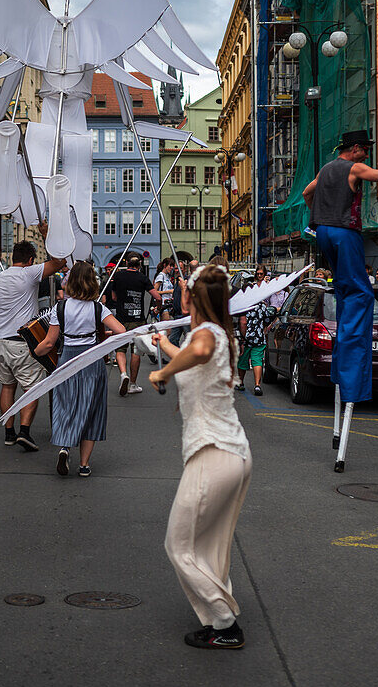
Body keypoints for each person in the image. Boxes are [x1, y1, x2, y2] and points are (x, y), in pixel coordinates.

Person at [148, 264, 251, 650]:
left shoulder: (207, 335)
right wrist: (164, 346)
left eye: (182, 289)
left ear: (191, 297)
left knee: (179, 545)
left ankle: (224, 624)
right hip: (232, 453)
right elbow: (196, 355)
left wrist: (161, 375)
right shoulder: (219, 332)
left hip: (214, 454)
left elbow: (200, 350)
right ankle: (220, 616)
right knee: (208, 545)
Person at [302, 129, 378, 404]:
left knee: (345, 287)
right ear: (356, 149)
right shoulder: (354, 167)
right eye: (366, 150)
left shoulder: (325, 169)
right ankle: (350, 362)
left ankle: (343, 346)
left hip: (323, 232)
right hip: (344, 232)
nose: (368, 155)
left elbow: (306, 192)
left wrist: (318, 214)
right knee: (361, 292)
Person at [35, 260, 125, 477]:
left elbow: (49, 342)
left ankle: (65, 447)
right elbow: (121, 330)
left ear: (71, 282)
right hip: (91, 360)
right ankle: (84, 465)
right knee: (92, 409)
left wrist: (34, 351)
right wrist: (105, 341)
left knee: (66, 404)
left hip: (67, 359)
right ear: (92, 282)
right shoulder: (98, 308)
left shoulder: (61, 308)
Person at [0, 223, 65, 451]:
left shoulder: (1, 277)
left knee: (7, 386)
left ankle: (8, 431)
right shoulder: (29, 273)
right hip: (22, 341)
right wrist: (47, 236)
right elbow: (59, 263)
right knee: (32, 388)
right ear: (31, 259)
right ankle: (24, 431)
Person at [110, 253, 162, 395]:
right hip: (138, 320)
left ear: (127, 264)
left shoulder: (119, 276)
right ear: (139, 265)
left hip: (120, 319)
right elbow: (157, 296)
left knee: (120, 349)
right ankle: (132, 384)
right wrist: (157, 307)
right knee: (135, 351)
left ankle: (123, 375)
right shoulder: (142, 278)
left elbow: (114, 297)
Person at [235, 292, 275, 397]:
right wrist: (262, 331)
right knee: (257, 361)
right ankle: (257, 385)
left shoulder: (244, 305)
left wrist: (242, 338)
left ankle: (240, 383)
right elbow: (267, 320)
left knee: (243, 360)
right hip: (259, 338)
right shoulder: (262, 305)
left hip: (246, 338)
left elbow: (242, 323)